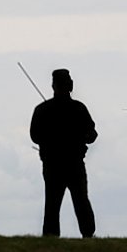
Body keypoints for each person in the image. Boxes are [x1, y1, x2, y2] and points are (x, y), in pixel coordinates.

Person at [30, 69, 98, 238]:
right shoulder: (79, 108)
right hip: (74, 164)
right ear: (70, 85)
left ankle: (51, 237)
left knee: (52, 203)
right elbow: (92, 135)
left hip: (53, 165)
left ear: (53, 85)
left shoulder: (43, 110)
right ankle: (88, 235)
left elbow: (35, 136)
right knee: (81, 200)